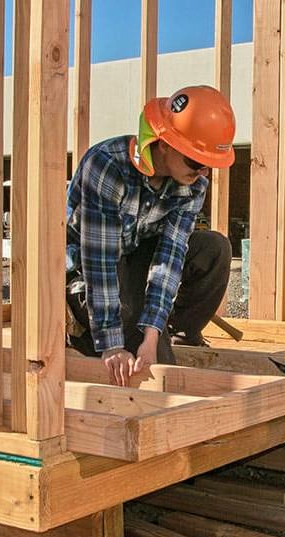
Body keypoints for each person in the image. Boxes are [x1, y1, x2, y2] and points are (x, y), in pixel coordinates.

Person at [66, 85, 236, 385]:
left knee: (214, 248)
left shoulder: (192, 185)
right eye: (196, 161)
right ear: (165, 144)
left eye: (208, 166)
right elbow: (100, 263)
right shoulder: (107, 166)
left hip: (133, 258)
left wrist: (152, 333)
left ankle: (180, 334)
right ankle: (88, 334)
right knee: (152, 371)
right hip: (87, 266)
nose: (202, 173)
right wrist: (112, 344)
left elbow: (170, 257)